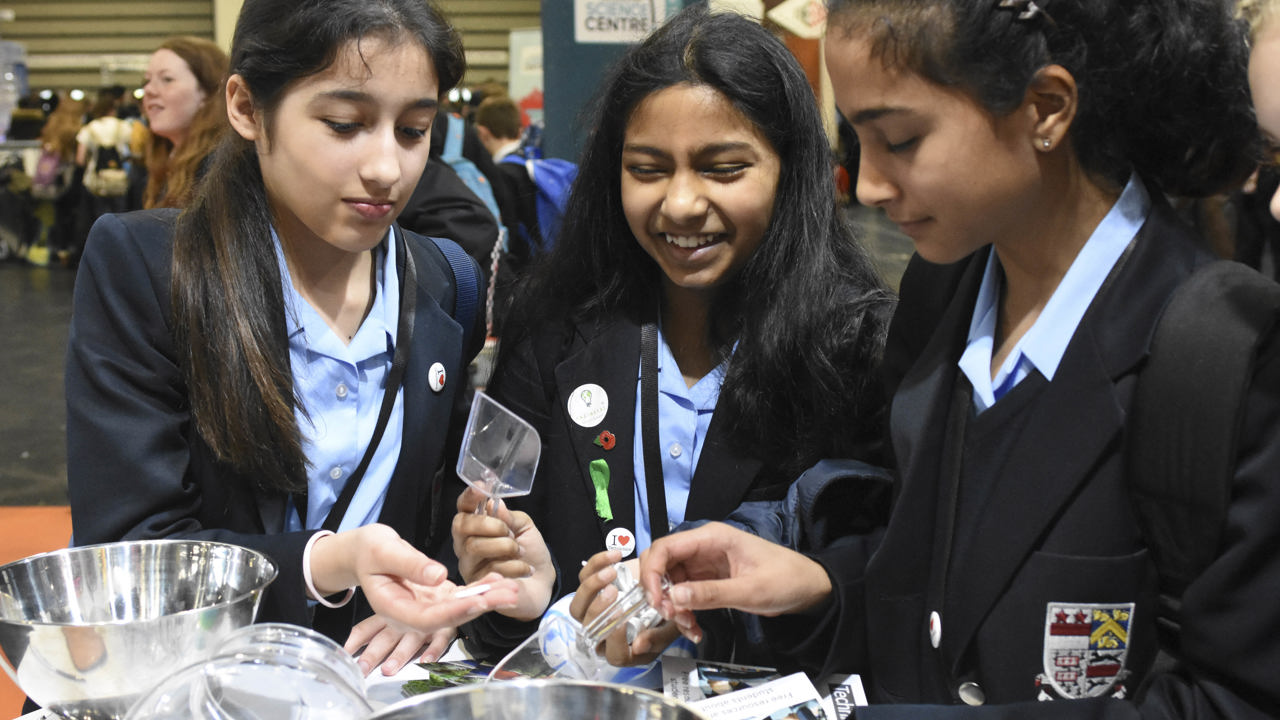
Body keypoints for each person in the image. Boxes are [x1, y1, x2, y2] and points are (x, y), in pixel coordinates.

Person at [639, 0, 1280, 717]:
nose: (872, 186)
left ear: (1045, 108)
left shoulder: (1226, 354)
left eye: (902, 140)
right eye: (856, 142)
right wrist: (821, 585)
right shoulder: (944, 290)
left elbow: (1236, 697)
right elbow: (944, 572)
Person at [64, 0, 521, 683]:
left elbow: (439, 505)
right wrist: (327, 563)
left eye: (415, 130)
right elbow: (133, 551)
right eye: (345, 124)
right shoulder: (149, 268)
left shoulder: (441, 277)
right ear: (247, 108)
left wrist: (448, 583)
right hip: (198, 680)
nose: (386, 169)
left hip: (378, 681)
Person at [453, 5, 894, 663]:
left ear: (790, 171)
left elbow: (875, 596)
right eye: (649, 169)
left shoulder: (856, 350)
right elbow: (504, 623)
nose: (681, 203)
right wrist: (515, 596)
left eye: (723, 168)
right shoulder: (554, 334)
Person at [139, 36, 228, 208]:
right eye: (147, 80)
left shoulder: (219, 169)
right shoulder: (165, 158)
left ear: (207, 92)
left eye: (167, 79)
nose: (149, 89)